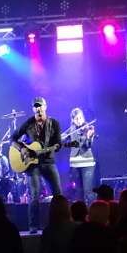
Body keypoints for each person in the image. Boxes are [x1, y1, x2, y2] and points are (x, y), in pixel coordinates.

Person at [11, 97, 63, 233]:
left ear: (45, 106)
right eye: (36, 106)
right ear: (33, 109)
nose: (38, 108)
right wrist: (22, 148)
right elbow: (13, 138)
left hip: (48, 162)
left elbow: (58, 144)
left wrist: (55, 147)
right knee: (34, 194)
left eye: (40, 106)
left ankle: (59, 223)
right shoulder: (28, 123)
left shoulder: (54, 124)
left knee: (58, 194)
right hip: (32, 164)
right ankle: (33, 227)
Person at [66, 108, 97, 204]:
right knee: (79, 193)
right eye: (76, 119)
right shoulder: (71, 130)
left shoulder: (88, 129)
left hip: (87, 163)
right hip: (75, 164)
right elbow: (62, 139)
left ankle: (92, 211)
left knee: (88, 192)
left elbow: (88, 145)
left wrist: (88, 137)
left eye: (80, 118)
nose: (79, 120)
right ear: (73, 120)